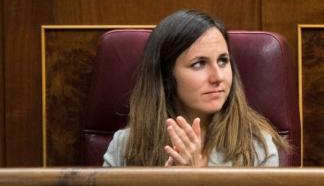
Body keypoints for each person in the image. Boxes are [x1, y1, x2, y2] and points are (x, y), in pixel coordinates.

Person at [103, 9, 287, 167]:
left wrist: (197, 179)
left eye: (223, 61)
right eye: (199, 64)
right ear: (166, 76)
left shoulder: (257, 147)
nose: (218, 77)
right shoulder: (124, 145)